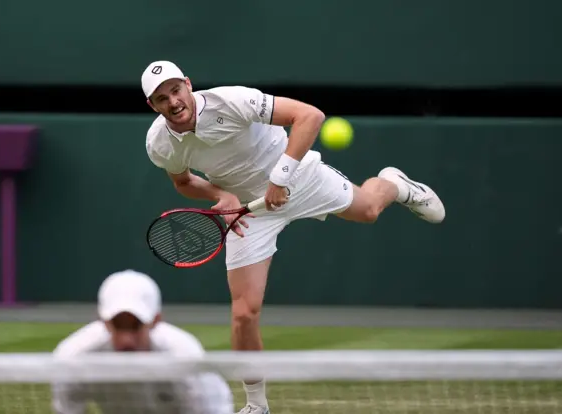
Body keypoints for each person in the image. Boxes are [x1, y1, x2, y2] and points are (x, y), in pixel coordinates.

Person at [141, 60, 446, 414]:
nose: (173, 102)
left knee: (369, 211)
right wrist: (221, 196)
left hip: (299, 179)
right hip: (251, 212)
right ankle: (257, 406)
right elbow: (184, 183)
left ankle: (396, 184)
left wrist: (280, 178)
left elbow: (310, 116)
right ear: (153, 105)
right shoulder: (160, 144)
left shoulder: (232, 100)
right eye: (162, 98)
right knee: (243, 313)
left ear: (188, 85)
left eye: (176, 90)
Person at [51, 269, 233, 414]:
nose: (126, 339)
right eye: (118, 325)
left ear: (155, 320)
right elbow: (68, 408)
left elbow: (214, 409)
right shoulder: (73, 358)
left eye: (135, 325)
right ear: (103, 322)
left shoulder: (184, 356)